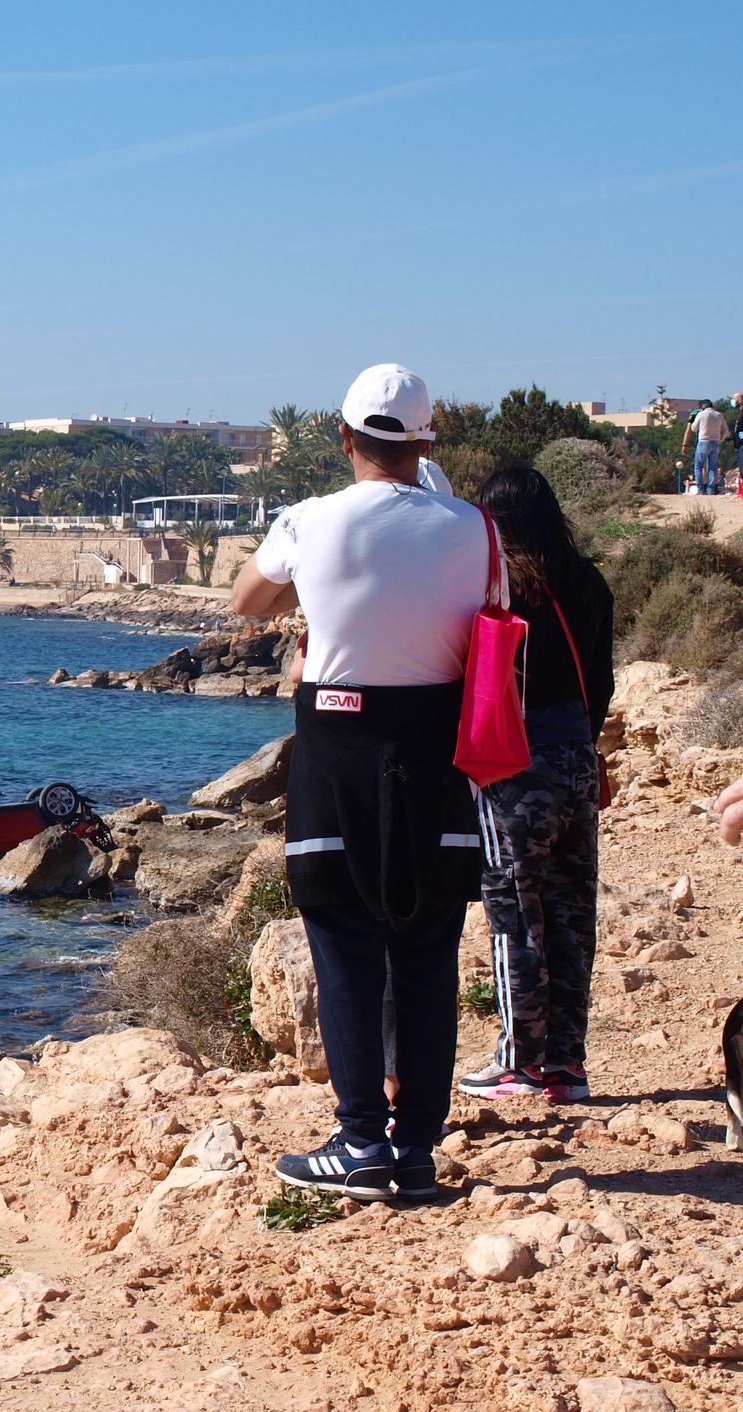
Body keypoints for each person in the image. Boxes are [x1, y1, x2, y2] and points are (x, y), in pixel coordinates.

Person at [231, 362, 493, 1202]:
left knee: (343, 947)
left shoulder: (307, 521)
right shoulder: (475, 526)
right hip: (439, 753)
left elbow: (249, 601)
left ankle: (356, 1141)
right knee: (426, 952)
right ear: (424, 443)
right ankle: (413, 1147)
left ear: (343, 438)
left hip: (338, 747)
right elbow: (492, 623)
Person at [457, 468, 613, 1103]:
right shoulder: (590, 582)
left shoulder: (500, 588)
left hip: (515, 764)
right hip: (578, 756)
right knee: (573, 911)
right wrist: (584, 743)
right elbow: (599, 683)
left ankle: (518, 1060)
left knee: (516, 912)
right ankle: (566, 1065)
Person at [683, 399, 731, 496]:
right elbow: (726, 431)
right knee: (713, 467)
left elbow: (693, 428)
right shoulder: (719, 415)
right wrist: (720, 439)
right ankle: (711, 490)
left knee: (698, 467)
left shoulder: (701, 414)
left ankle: (701, 490)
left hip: (703, 442)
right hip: (715, 442)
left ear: (702, 407)